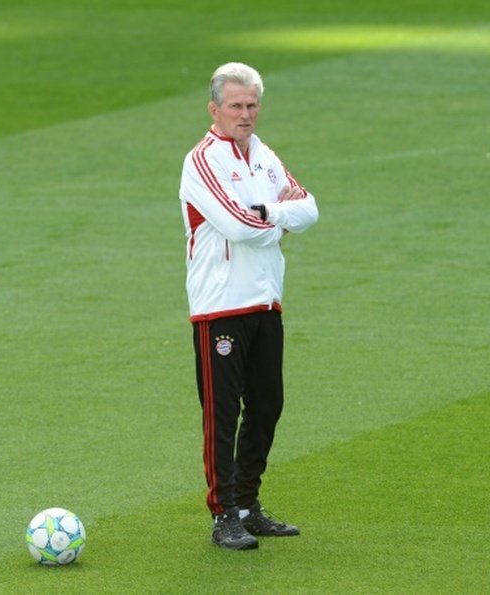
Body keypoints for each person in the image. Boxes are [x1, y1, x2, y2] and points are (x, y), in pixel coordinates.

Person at [179, 62, 319, 550]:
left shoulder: (262, 155)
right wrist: (273, 222)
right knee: (221, 413)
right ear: (213, 108)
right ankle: (223, 516)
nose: (245, 114)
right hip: (220, 307)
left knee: (267, 404)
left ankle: (247, 504)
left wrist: (271, 214)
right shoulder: (202, 161)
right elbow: (238, 226)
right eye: (236, 105)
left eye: (252, 105)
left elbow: (309, 208)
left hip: (266, 302)